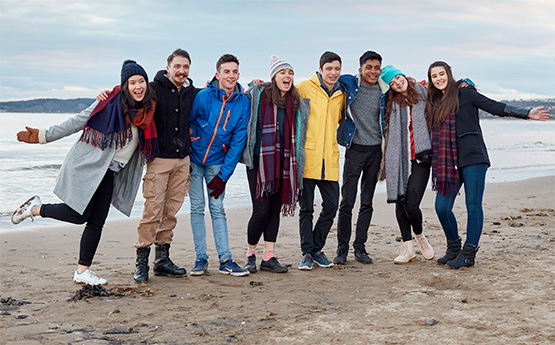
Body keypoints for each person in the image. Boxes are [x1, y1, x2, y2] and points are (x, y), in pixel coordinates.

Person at [11, 60, 158, 285]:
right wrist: (43, 136)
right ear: (125, 85)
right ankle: (34, 209)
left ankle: (82, 271)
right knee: (79, 215)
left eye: (141, 82)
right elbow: (78, 121)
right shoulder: (108, 102)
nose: (138, 86)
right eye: (132, 82)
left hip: (111, 173)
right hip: (89, 168)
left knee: (97, 221)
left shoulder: (148, 110)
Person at [426, 61, 550, 269]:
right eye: (434, 76)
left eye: (442, 74)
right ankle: (454, 246)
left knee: (473, 206)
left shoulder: (466, 93)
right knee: (441, 207)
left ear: (449, 74)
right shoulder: (434, 101)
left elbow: (495, 107)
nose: (439, 78)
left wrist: (527, 113)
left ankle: (469, 253)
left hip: (473, 157)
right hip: (450, 162)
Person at [97, 49, 197, 283]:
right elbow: (129, 94)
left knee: (171, 212)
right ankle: (141, 262)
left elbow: (216, 92)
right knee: (153, 211)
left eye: (186, 67)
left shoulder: (192, 92)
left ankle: (162, 261)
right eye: (178, 66)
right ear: (168, 66)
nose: (181, 71)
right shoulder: (153, 89)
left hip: (183, 161)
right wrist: (107, 93)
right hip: (159, 160)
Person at [240, 55, 309, 273]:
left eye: (290, 73)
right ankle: (250, 254)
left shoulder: (296, 100)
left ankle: (268, 256)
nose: (287, 76)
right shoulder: (258, 94)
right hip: (259, 163)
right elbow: (238, 94)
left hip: (286, 164)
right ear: (274, 76)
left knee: (275, 211)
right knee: (260, 210)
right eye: (282, 72)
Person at [188, 54, 251, 277]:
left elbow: (238, 141)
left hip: (217, 163)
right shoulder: (203, 96)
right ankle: (200, 258)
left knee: (217, 209)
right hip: (194, 161)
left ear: (238, 75)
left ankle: (225, 259)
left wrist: (224, 176)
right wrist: (189, 149)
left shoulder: (243, 103)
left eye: (235, 72)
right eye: (227, 71)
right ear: (218, 74)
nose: (231, 76)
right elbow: (188, 123)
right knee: (196, 208)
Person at [334, 50, 388, 265]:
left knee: (367, 202)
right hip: (354, 150)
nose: (373, 71)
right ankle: (342, 248)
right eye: (369, 67)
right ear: (360, 69)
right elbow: (324, 80)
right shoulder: (349, 83)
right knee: (347, 201)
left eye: (377, 68)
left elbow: (407, 85)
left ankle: (360, 247)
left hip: (376, 152)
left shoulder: (385, 90)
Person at [378, 65, 435, 264]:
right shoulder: (390, 103)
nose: (397, 83)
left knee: (411, 204)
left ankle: (420, 237)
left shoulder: (423, 92)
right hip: (399, 158)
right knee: (400, 201)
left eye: (396, 78)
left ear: (402, 74)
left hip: (421, 157)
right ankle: (408, 247)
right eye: (392, 84)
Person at [295, 51, 345, 270]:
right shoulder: (304, 88)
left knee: (332, 206)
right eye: (329, 69)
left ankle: (316, 248)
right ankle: (307, 252)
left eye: (337, 69)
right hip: (307, 157)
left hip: (330, 159)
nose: (333, 73)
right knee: (306, 209)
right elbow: (281, 96)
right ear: (321, 69)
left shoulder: (342, 93)